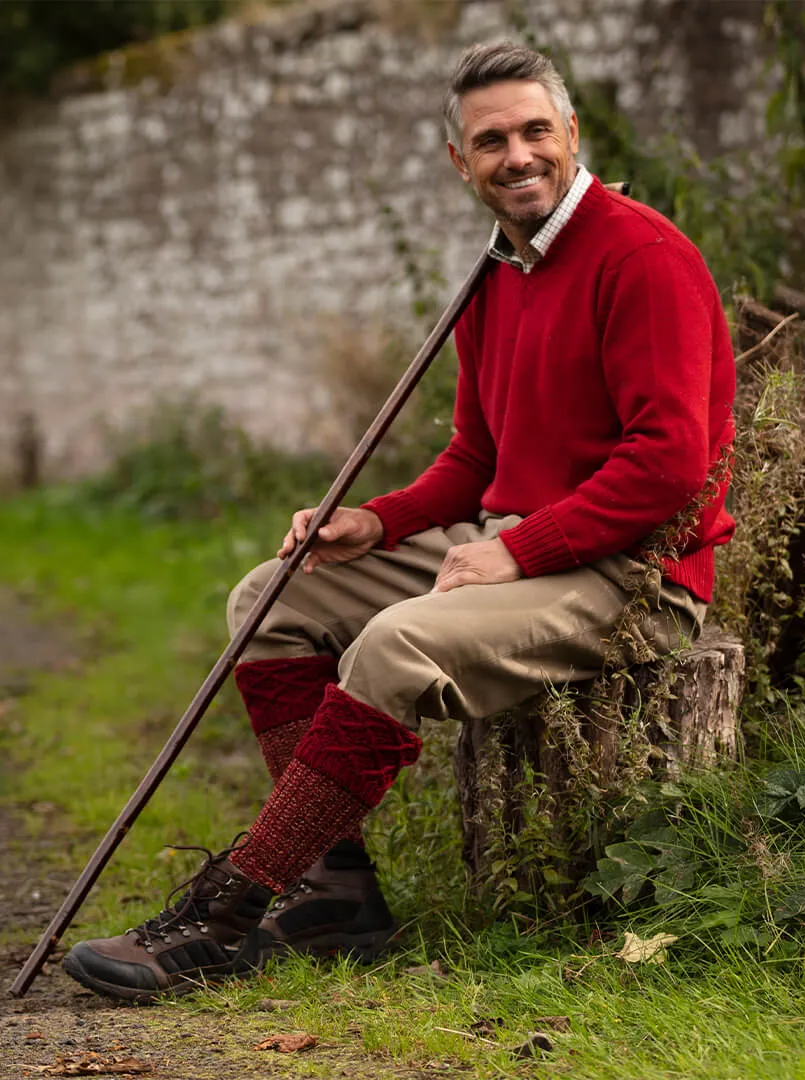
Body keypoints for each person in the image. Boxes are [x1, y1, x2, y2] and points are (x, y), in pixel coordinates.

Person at [63, 40, 735, 1002]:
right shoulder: (495, 274)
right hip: (521, 544)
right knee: (273, 597)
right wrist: (374, 527)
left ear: (572, 133)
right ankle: (334, 892)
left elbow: (670, 464)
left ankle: (232, 910)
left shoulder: (642, 256)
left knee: (393, 643)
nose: (518, 156)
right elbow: (476, 461)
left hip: (635, 572)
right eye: (491, 140)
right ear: (460, 162)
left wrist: (518, 551)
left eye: (536, 130)